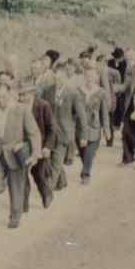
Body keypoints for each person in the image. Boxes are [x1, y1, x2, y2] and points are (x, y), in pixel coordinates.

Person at [0, 82, 41, 231]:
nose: (0, 101)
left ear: (11, 94)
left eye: (3, 97)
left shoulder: (22, 110)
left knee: (16, 187)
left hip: (15, 154)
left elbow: (34, 133)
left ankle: (15, 217)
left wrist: (35, 153)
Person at [17, 80, 55, 210]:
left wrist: (47, 147)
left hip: (40, 145)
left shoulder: (43, 105)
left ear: (32, 93)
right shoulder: (18, 106)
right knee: (22, 174)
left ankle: (46, 193)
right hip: (23, 146)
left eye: (24, 94)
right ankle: (24, 204)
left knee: (37, 172)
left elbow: (51, 129)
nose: (22, 97)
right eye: (20, 94)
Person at [49, 62, 86, 192]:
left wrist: (83, 136)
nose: (57, 81)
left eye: (60, 79)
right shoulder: (48, 90)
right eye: (55, 79)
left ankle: (47, 190)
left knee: (56, 161)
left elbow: (82, 116)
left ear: (65, 78)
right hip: (50, 132)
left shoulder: (73, 93)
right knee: (52, 160)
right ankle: (62, 181)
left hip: (64, 133)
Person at [77, 68, 112, 183]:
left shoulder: (101, 92)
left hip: (94, 126)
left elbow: (104, 113)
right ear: (84, 77)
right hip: (80, 128)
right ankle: (86, 167)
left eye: (92, 76)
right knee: (82, 152)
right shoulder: (78, 91)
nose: (89, 78)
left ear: (96, 78)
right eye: (87, 76)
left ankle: (86, 174)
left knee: (89, 152)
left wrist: (106, 130)